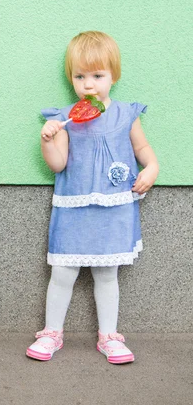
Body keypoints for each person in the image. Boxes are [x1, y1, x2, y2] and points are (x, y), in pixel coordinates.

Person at [26, 31, 159, 364]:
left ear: (113, 75)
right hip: (74, 206)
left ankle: (109, 336)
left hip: (114, 207)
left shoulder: (126, 114)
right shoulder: (66, 118)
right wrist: (48, 139)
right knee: (63, 273)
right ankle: (52, 332)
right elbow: (59, 164)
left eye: (97, 76)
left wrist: (152, 168)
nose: (88, 85)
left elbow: (141, 148)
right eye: (79, 76)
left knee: (106, 274)